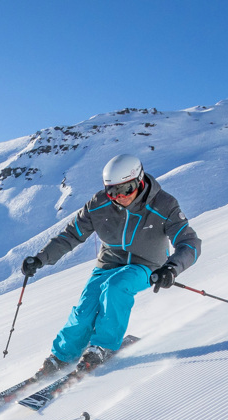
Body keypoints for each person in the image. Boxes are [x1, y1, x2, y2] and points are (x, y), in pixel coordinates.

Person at [20, 153, 201, 374]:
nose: (119, 197)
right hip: (108, 263)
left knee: (116, 287)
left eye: (126, 189)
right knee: (86, 307)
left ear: (140, 180)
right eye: (112, 191)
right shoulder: (99, 204)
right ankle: (62, 356)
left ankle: (102, 347)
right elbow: (71, 235)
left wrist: (172, 268)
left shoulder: (164, 205)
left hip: (148, 265)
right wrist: (41, 258)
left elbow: (189, 242)